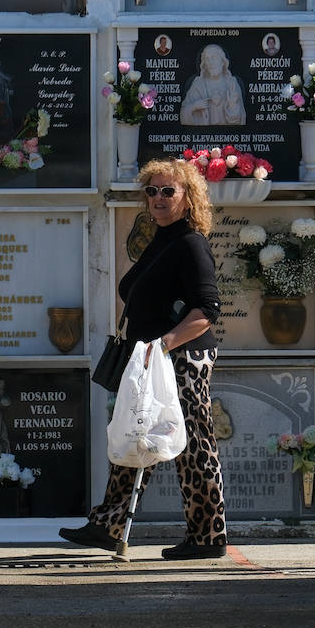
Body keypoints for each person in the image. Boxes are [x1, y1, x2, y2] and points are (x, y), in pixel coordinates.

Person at [60, 158, 227, 560]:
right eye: (151, 191)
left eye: (168, 190)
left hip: (181, 358)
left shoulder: (190, 242)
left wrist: (165, 344)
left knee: (192, 445)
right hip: (151, 358)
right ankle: (108, 526)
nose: (157, 198)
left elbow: (208, 307)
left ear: (188, 198)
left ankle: (208, 536)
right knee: (134, 435)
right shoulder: (162, 239)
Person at [180, 44, 245, 126]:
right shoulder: (198, 85)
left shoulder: (231, 83)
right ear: (204, 63)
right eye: (207, 59)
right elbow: (183, 115)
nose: (211, 63)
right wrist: (194, 106)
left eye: (214, 58)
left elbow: (239, 120)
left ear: (222, 61)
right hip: (201, 135)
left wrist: (233, 105)